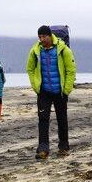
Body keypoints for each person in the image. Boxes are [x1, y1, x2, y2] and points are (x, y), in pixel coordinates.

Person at [26, 25, 77, 160]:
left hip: (60, 91)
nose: (42, 39)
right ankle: (43, 148)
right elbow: (30, 68)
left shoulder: (62, 49)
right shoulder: (36, 50)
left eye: (44, 36)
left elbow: (71, 70)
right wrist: (36, 85)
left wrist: (66, 89)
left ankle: (64, 147)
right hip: (44, 92)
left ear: (50, 36)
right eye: (39, 37)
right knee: (43, 119)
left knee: (62, 119)